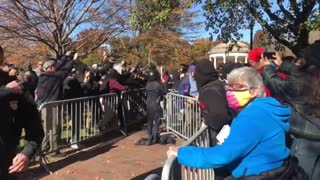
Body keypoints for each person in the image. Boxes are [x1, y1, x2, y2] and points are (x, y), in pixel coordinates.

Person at [167, 67, 307, 179]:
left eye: (238, 87)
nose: (230, 91)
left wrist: (182, 153)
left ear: (255, 91)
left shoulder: (252, 116)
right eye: (228, 87)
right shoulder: (267, 108)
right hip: (278, 171)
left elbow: (223, 155)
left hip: (258, 174)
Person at [261, 41, 320, 180]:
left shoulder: (302, 82)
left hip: (306, 142)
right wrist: (282, 64)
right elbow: (300, 71)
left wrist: (267, 68)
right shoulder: (307, 78)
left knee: (301, 175)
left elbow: (277, 85)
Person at [0, 45, 44, 179]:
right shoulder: (9, 89)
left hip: (6, 166)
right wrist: (4, 92)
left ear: (1, 57)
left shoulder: (17, 87)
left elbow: (35, 128)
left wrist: (27, 153)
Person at [194, 60, 232, 146]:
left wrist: (208, 120)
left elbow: (219, 115)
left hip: (219, 133)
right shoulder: (218, 85)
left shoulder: (209, 90)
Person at [144, 69, 166, 145]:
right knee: (157, 121)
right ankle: (154, 138)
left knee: (149, 121)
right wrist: (163, 83)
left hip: (148, 103)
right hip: (155, 103)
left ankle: (149, 136)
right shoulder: (158, 84)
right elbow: (164, 91)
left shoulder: (148, 84)